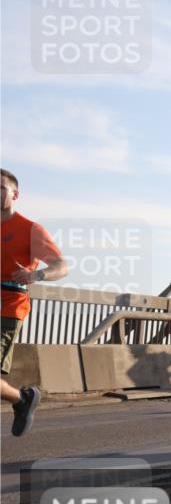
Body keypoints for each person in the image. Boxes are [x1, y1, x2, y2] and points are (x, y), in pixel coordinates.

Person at [1, 169, 69, 436]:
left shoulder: (29, 229)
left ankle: (22, 399)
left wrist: (36, 274)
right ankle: (22, 399)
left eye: (1, 188)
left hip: (9, 304)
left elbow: (62, 266)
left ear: (15, 194)